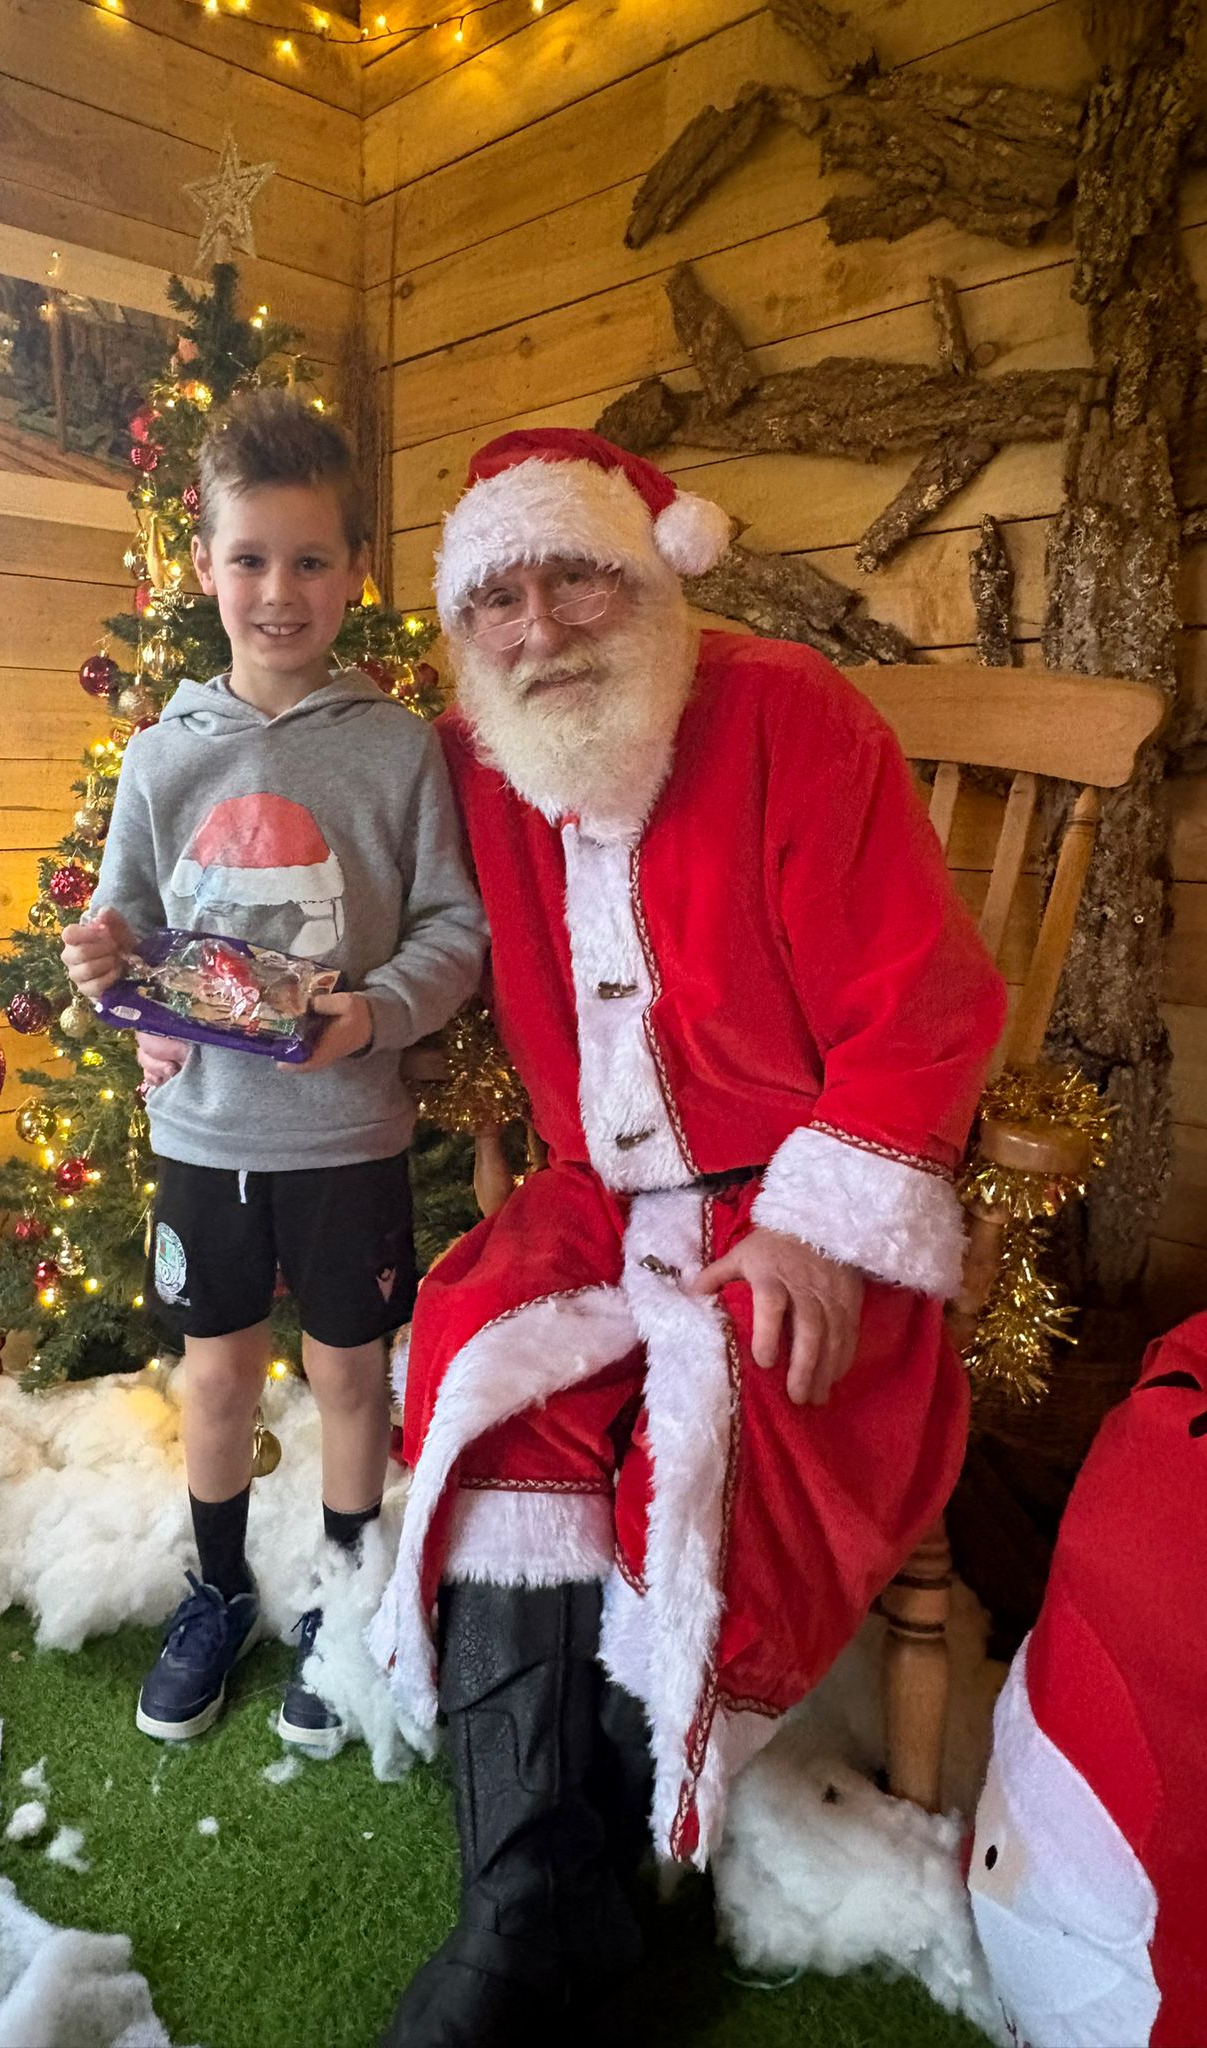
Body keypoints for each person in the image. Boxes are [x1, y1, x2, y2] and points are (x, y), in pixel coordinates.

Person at [370, 427, 1008, 2043]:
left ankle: (613, 1875)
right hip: (598, 1195)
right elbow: (332, 871)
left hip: (795, 1196)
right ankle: (535, 1902)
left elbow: (922, 1004)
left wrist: (817, 1229)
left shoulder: (792, 715)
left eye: (576, 577)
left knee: (736, 1414)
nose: (538, 627)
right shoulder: (474, 760)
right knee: (482, 1362)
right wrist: (202, 999)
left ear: (652, 576)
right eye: (496, 597)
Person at [63, 389, 486, 1758]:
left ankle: (346, 1600)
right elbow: (126, 932)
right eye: (250, 559)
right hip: (204, 1134)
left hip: (349, 1134)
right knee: (219, 1380)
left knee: (352, 1381)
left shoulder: (398, 748)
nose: (279, 591)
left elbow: (455, 929)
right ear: (203, 568)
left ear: (357, 569)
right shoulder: (159, 755)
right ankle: (219, 1591)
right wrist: (106, 973)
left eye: (310, 560)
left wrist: (374, 1016)